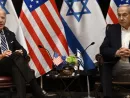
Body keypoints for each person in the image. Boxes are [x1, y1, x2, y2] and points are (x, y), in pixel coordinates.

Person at [0, 8, 47, 98]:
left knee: (16, 66)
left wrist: (20, 52)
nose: (0, 20)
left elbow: (23, 50)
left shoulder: (9, 34)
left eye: (3, 18)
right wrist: (2, 55)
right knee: (17, 58)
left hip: (11, 64)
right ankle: (37, 91)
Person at [100, 4, 130, 98]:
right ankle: (107, 96)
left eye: (125, 15)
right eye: (119, 15)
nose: (121, 18)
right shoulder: (112, 29)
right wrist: (116, 52)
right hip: (116, 65)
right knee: (105, 66)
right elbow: (103, 49)